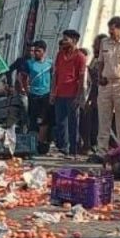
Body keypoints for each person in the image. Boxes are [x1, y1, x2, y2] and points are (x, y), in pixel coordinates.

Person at [92, 17, 120, 162]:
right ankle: (101, 152)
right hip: (105, 84)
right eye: (109, 30)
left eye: (113, 31)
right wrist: (100, 77)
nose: (111, 34)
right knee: (103, 119)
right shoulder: (105, 42)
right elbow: (100, 63)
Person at [51, 30, 87, 158]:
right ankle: (63, 148)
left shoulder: (80, 57)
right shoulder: (60, 55)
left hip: (72, 94)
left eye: (67, 39)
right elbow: (56, 74)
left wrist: (79, 96)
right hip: (60, 93)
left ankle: (73, 150)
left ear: (74, 41)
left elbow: (82, 78)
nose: (64, 41)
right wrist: (52, 92)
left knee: (73, 123)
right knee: (60, 122)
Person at [19, 40, 53, 155]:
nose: (36, 53)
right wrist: (26, 89)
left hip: (46, 95)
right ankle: (31, 144)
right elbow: (23, 77)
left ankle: (42, 143)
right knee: (32, 119)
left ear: (44, 51)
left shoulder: (50, 64)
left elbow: (54, 78)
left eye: (38, 51)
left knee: (44, 120)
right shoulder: (29, 63)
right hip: (33, 95)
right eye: (35, 51)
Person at [79, 34, 107, 156]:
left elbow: (99, 81)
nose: (93, 46)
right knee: (87, 119)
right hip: (92, 93)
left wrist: (93, 98)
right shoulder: (95, 59)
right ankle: (87, 144)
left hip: (101, 94)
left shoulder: (105, 60)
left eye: (95, 44)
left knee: (95, 122)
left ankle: (93, 146)